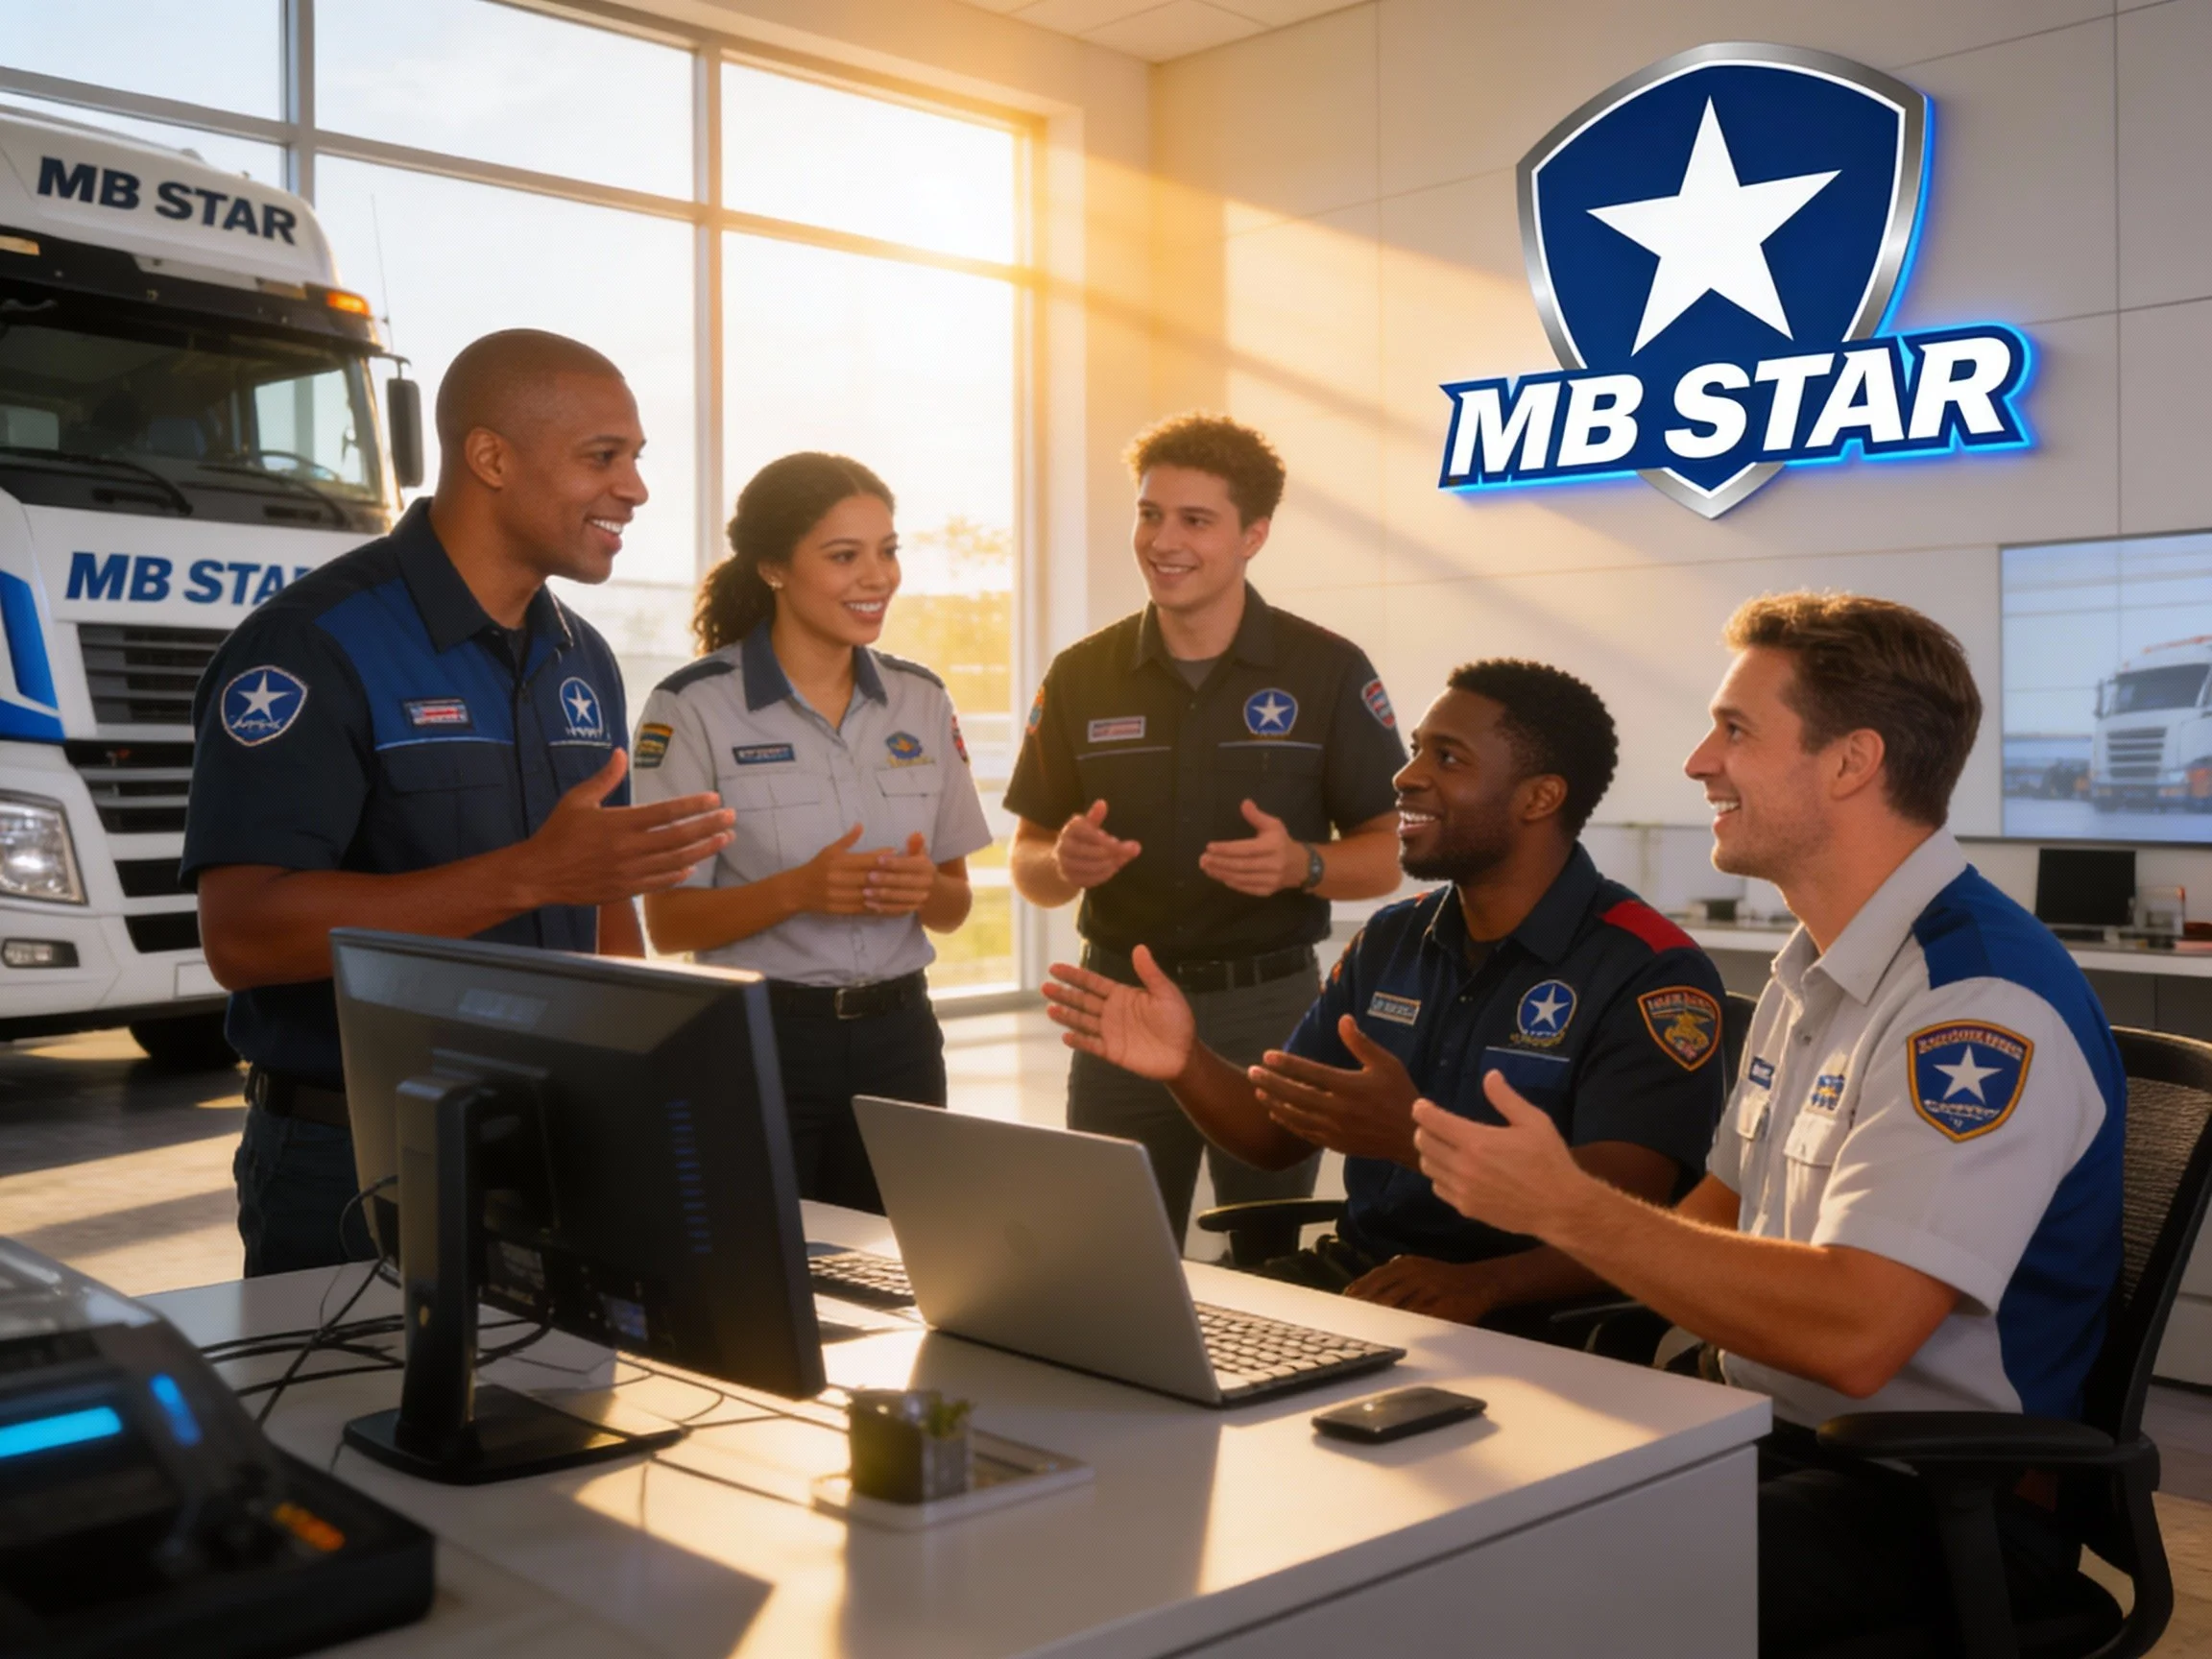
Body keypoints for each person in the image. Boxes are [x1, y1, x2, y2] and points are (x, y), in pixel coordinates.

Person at [1407, 595, 2123, 1654]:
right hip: (1763, 1438)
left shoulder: (1974, 1004)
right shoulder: (1814, 966)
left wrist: (1568, 1208)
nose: (1701, 762)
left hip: (1919, 1500)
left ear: (1851, 763)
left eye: (1735, 730)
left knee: (1511, 1591)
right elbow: (1722, 1214)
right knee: (1431, 1511)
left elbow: (1857, 1334)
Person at [184, 328, 734, 1278]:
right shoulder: (311, 647)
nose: (636, 489)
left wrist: (643, 1093)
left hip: (556, 1143)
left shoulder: (585, 659)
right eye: (602, 458)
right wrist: (524, 877)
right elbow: (242, 938)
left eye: (636, 459)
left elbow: (602, 902)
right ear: (490, 457)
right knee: (347, 1428)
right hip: (355, 1161)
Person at [1043, 660, 1729, 1329]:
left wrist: (1425, 1160)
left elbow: (1631, 1217)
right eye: (1415, 752)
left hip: (1532, 1313)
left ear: (1539, 798)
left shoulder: (1650, 970)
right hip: (1369, 1283)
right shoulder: (1394, 937)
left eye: (1449, 759)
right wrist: (1185, 1060)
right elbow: (1274, 1137)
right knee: (1109, 1334)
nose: (1405, 777)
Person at [1006, 413, 1407, 1239]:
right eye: (1150, 514)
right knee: (1114, 1246)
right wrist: (1063, 862)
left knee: (1270, 1243)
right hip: (1118, 998)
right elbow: (1028, 862)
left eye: (1196, 520)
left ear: (1253, 534)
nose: (1164, 540)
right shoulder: (1082, 675)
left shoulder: (1327, 669)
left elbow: (1386, 854)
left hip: (1267, 1005)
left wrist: (1304, 865)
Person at [630, 453, 993, 1212]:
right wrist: (797, 891)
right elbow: (667, 924)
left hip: (902, 1042)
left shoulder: (922, 701)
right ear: (772, 566)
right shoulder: (691, 708)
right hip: (759, 1044)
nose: (878, 576)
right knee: (767, 1283)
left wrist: (928, 888)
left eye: (888, 551)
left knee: (906, 1277)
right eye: (844, 556)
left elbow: (955, 908)